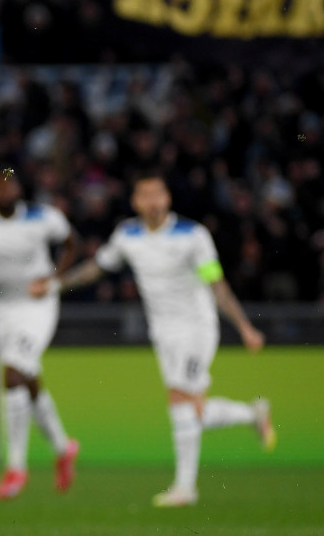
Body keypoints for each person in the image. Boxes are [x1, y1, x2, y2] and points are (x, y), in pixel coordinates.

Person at [30, 168, 275, 507]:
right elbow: (95, 268)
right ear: (135, 201)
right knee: (194, 412)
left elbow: (216, 285)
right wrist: (55, 285)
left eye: (158, 194)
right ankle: (252, 414)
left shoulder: (193, 235)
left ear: (168, 199)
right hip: (163, 333)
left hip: (197, 328)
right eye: (145, 195)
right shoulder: (127, 236)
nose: (153, 201)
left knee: (179, 401)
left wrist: (245, 327)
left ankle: (185, 488)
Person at [0, 169, 81, 499]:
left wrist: (54, 276)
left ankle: (16, 467)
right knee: (27, 375)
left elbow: (71, 244)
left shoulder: (43, 217)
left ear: (20, 189)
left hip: (37, 302)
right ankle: (63, 447)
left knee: (11, 374)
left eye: (9, 183)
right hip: (1, 306)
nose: (4, 189)